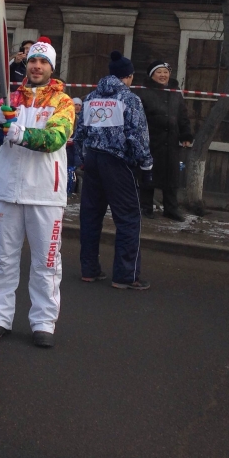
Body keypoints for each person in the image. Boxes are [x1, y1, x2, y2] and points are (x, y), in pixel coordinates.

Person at [0, 39, 74, 348]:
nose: (37, 66)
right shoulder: (9, 99)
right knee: (2, 258)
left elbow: (54, 139)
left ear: (51, 67)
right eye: (33, 60)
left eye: (43, 62)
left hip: (46, 194)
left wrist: (17, 131)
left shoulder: (63, 102)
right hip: (7, 190)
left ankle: (44, 322)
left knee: (46, 263)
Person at [75, 50, 154, 290]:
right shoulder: (130, 99)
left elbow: (79, 134)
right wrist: (146, 163)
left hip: (92, 163)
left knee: (90, 216)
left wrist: (82, 159)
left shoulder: (89, 98)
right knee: (128, 218)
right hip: (118, 164)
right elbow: (137, 135)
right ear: (127, 77)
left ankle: (89, 270)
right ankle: (125, 276)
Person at [135, 60, 194, 221]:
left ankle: (171, 209)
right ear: (152, 74)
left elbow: (182, 115)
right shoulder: (144, 92)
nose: (163, 75)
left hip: (172, 141)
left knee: (171, 176)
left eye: (165, 72)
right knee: (148, 174)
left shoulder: (175, 92)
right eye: (159, 72)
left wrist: (186, 135)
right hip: (151, 141)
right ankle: (145, 207)